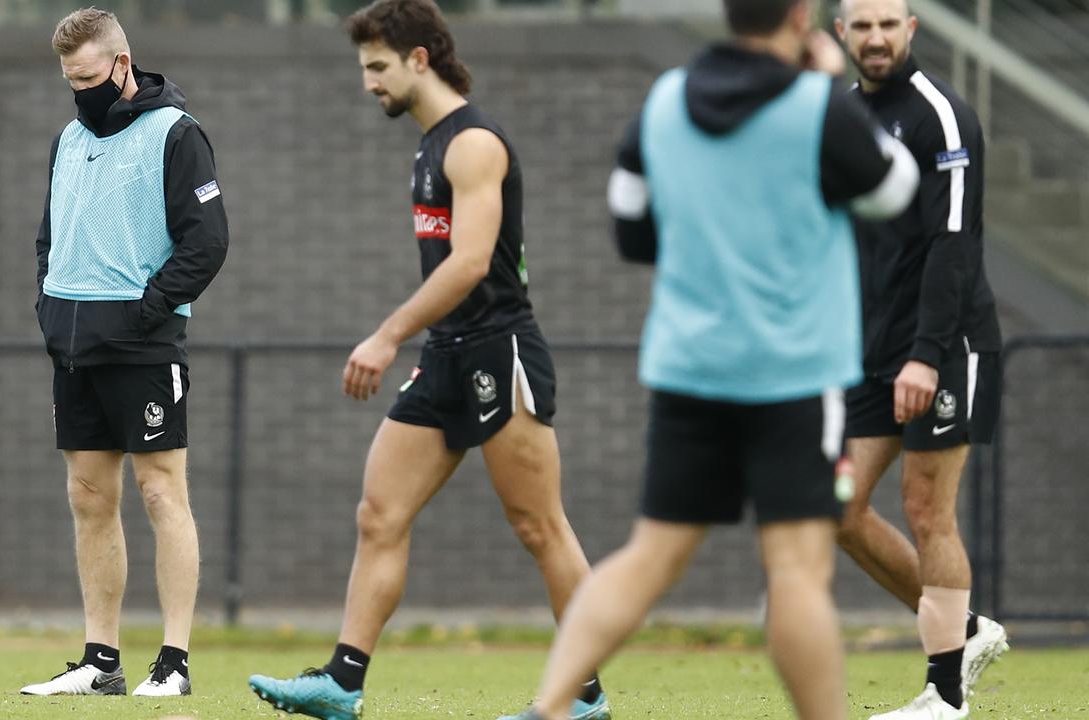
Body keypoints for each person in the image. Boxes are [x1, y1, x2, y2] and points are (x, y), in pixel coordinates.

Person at [497, 0, 923, 718]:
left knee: (649, 556)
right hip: (793, 376)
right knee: (795, 570)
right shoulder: (818, 107)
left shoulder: (663, 101)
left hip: (689, 368)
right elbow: (895, 191)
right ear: (800, 16)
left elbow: (631, 229)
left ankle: (549, 708)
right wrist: (822, 88)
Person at [247, 1, 609, 718]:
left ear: (420, 59)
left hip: (499, 348)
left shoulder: (473, 143)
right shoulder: (430, 143)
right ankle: (341, 684)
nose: (368, 84)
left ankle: (582, 698)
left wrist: (386, 335)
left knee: (540, 526)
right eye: (364, 70)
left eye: (378, 68)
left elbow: (472, 262)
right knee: (379, 513)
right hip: (446, 352)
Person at [19, 7, 229, 698]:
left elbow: (207, 242)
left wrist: (144, 313)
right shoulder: (66, 140)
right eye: (68, 81)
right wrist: (50, 303)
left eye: (87, 77)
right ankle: (99, 661)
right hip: (72, 349)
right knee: (88, 496)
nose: (79, 91)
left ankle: (173, 663)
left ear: (121, 63)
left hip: (142, 347)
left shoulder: (176, 133)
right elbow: (50, 237)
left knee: (162, 490)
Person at [834, 1, 1008, 717]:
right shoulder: (839, 117)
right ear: (839, 32)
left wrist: (927, 355)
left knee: (926, 508)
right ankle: (961, 629)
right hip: (870, 353)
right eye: (861, 25)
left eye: (887, 23)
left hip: (946, 345)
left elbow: (954, 243)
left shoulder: (942, 114)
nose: (875, 38)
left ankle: (945, 696)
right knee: (830, 504)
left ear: (911, 28)